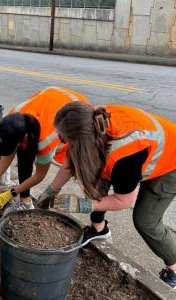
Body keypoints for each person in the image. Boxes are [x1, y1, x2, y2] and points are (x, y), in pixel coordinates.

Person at [42, 101, 176, 288]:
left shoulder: (123, 157)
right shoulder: (92, 120)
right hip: (142, 153)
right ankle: (99, 230)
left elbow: (124, 200)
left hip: (170, 161)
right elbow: (72, 158)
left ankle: (174, 267)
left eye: (64, 138)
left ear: (83, 140)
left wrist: (83, 205)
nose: (61, 140)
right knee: (95, 179)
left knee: (146, 220)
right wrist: (51, 189)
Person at [0, 86, 89, 213]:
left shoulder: (46, 142)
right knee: (24, 156)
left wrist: (12, 193)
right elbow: (9, 153)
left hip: (76, 110)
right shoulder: (14, 117)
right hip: (49, 97)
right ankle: (25, 201)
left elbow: (39, 175)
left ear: (25, 138)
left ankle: (26, 203)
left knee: (27, 154)